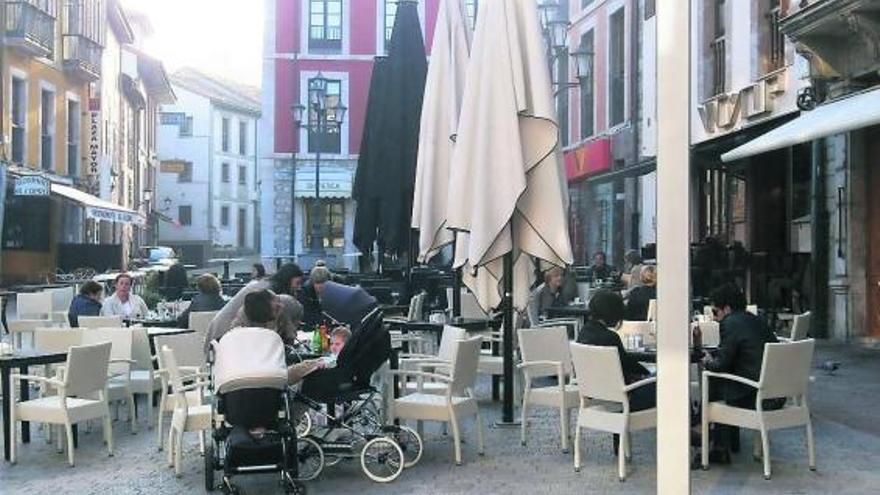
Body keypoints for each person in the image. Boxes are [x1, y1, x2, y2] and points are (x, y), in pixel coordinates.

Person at [701, 283, 784, 464]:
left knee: (712, 380)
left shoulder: (730, 323)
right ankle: (720, 442)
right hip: (776, 394)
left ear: (727, 308)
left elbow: (721, 365)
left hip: (755, 395)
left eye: (716, 312)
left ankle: (713, 440)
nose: (715, 318)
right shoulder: (756, 319)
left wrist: (707, 361)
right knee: (720, 383)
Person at [576, 290, 655, 412]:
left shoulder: (583, 333)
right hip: (623, 397)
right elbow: (627, 366)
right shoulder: (610, 337)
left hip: (595, 392)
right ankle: (688, 422)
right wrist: (649, 374)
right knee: (669, 381)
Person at [204, 263, 304, 353]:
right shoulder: (266, 293)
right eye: (297, 283)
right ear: (287, 279)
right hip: (223, 335)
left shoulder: (266, 288)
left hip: (222, 332)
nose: (298, 287)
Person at [299, 263, 332, 328]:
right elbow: (307, 315)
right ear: (312, 282)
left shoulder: (333, 293)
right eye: (317, 283)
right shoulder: (305, 294)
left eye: (323, 282)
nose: (320, 286)